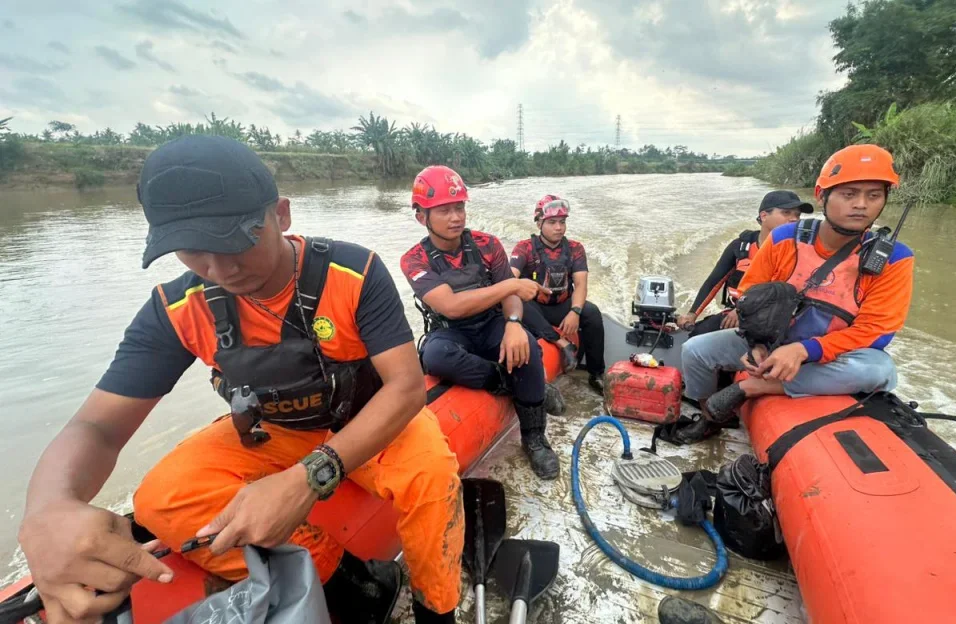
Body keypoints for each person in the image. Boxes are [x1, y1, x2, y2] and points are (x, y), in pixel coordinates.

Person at [17, 136, 462, 624]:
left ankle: (436, 607)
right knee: (161, 497)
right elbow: (97, 428)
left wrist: (311, 478)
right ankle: (354, 587)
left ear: (282, 215)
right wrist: (46, 511)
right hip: (274, 433)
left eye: (239, 239)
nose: (222, 268)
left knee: (432, 475)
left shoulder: (353, 272)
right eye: (194, 252)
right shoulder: (175, 310)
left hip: (377, 425)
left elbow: (406, 387)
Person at [680, 144, 913, 426]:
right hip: (774, 340)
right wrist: (756, 343)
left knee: (879, 370)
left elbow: (876, 333)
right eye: (849, 194)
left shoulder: (896, 259)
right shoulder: (783, 238)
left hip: (832, 353)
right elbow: (749, 294)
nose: (861, 204)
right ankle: (709, 414)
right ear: (822, 195)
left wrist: (805, 350)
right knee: (694, 350)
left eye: (873, 195)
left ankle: (758, 387)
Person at [400, 165, 561, 480]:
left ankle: (535, 438)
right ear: (422, 217)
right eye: (444, 210)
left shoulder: (488, 245)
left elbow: (509, 300)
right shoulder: (414, 260)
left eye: (459, 207)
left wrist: (514, 322)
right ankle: (505, 380)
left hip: (491, 323)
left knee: (526, 345)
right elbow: (451, 306)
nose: (456, 217)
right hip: (451, 331)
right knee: (434, 357)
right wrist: (512, 286)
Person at [680, 190, 811, 337]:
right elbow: (713, 283)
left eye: (797, 215)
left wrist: (743, 310)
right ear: (764, 216)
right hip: (736, 313)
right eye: (786, 213)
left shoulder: (803, 250)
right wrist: (692, 314)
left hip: (778, 319)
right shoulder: (741, 247)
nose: (794, 219)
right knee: (697, 335)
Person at [510, 195, 605, 393]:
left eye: (562, 222)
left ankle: (596, 373)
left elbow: (580, 284)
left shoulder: (575, 249)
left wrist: (575, 312)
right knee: (518, 300)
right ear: (539, 224)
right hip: (535, 308)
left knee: (593, 313)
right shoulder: (524, 248)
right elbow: (510, 280)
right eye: (552, 222)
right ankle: (561, 343)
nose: (559, 227)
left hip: (562, 304)